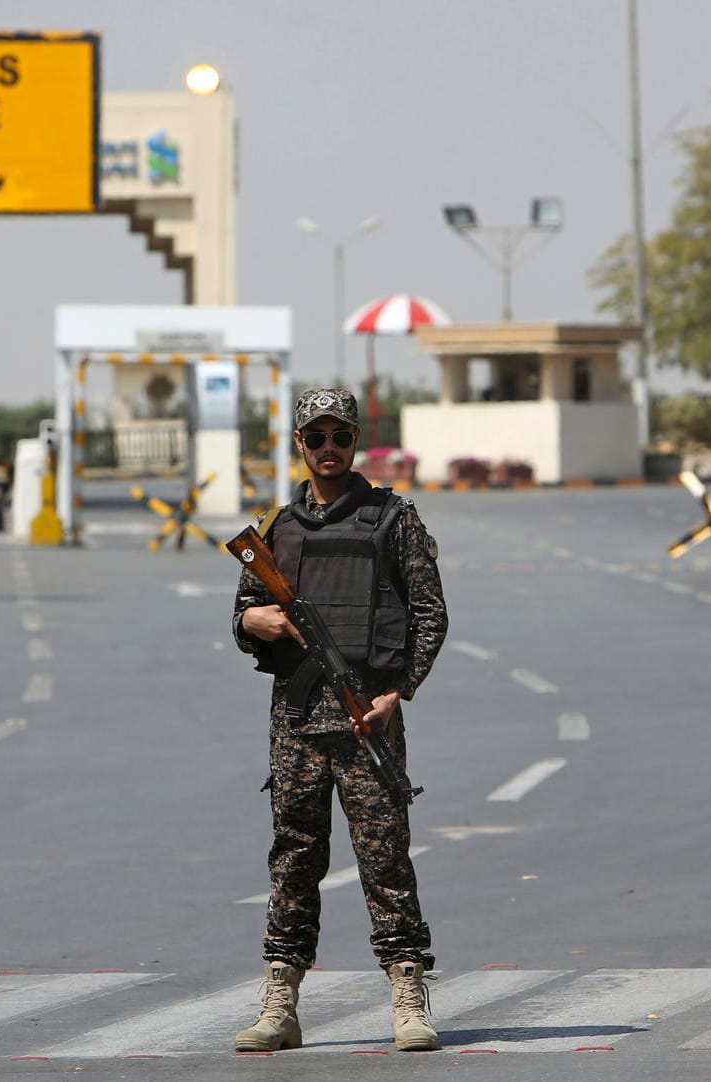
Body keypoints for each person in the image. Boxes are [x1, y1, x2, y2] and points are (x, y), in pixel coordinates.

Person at [230, 388, 448, 1053]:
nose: (329, 449)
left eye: (340, 437)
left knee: (384, 861)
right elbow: (243, 610)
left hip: (367, 720)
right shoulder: (276, 530)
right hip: (296, 723)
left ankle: (409, 996)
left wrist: (397, 693)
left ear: (356, 441)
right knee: (294, 859)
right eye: (316, 437)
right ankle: (281, 1003)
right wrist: (254, 619)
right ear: (300, 443)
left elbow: (430, 617)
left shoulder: (393, 520)